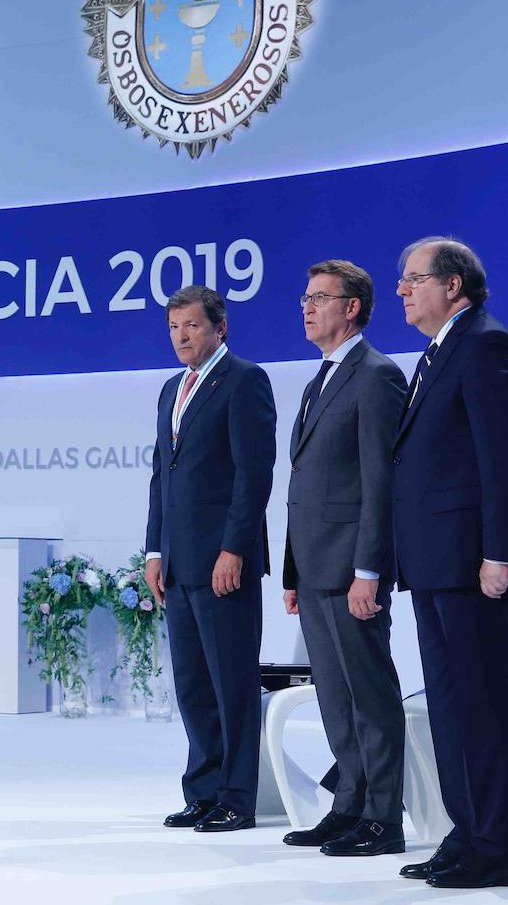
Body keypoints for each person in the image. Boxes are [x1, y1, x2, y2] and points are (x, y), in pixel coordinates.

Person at [391, 237, 508, 889]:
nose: (402, 290)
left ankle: (497, 847)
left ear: (453, 285)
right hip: (433, 563)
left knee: (481, 706)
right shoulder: (438, 352)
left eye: (413, 279)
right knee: (450, 710)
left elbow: (502, 460)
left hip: (475, 563)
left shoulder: (485, 343)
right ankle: (465, 831)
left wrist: (498, 552)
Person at [279, 260, 408, 856]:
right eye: (305, 298)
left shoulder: (376, 376)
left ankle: (383, 818)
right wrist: (291, 571)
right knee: (335, 698)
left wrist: (369, 570)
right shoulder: (318, 381)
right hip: (314, 568)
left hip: (353, 570)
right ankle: (349, 804)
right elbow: (303, 483)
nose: (307, 307)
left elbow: (380, 483)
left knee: (370, 696)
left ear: (352, 306)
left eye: (319, 298)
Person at [145, 284, 276, 833]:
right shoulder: (171, 388)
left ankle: (236, 797)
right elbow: (161, 475)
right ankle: (202, 788)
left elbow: (253, 476)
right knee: (193, 685)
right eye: (174, 327)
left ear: (219, 328)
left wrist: (234, 548)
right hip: (177, 563)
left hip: (224, 562)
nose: (181, 336)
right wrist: (154, 549)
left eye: (192, 326)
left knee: (232, 684)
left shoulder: (244, 380)